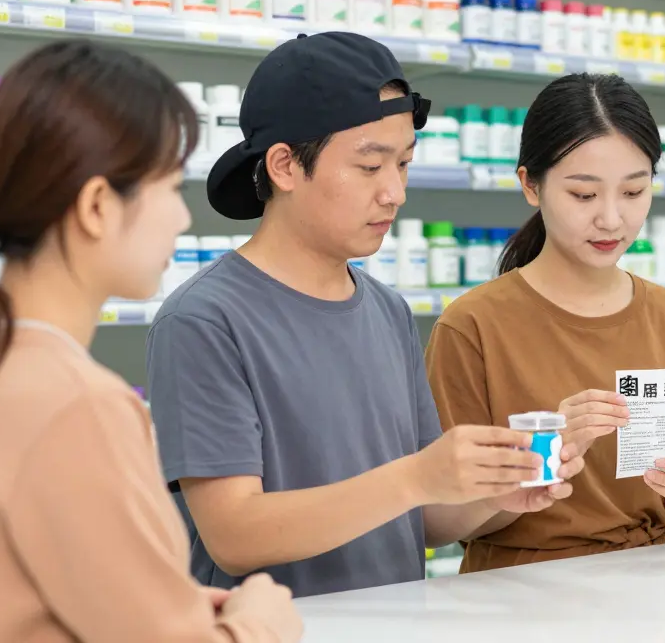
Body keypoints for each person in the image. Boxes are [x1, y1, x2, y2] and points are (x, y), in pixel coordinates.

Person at [146, 32, 585, 598]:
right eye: (370, 165)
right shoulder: (204, 321)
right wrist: (414, 478)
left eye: (402, 164)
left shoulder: (386, 310)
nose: (395, 192)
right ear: (283, 165)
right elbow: (234, 534)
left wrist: (496, 495)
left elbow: (422, 518)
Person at [0, 40, 301, 641]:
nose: (184, 218)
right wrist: (259, 622)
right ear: (96, 207)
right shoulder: (76, 405)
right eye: (170, 187)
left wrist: (169, 599)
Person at [425, 73, 665, 572]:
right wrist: (539, 460)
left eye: (634, 192)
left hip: (654, 583)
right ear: (531, 184)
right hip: (518, 592)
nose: (612, 220)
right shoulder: (472, 326)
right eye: (583, 195)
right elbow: (438, 524)